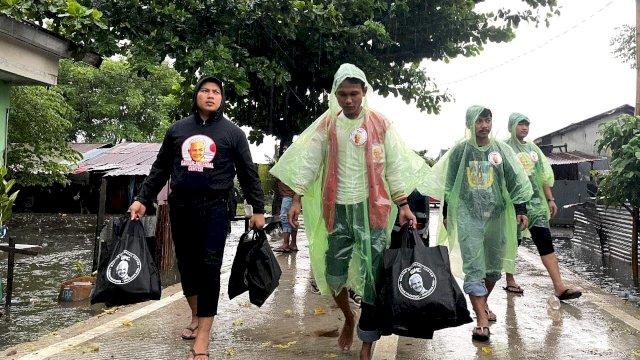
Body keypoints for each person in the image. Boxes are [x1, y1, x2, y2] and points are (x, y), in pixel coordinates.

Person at [270, 64, 428, 360]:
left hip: (374, 212)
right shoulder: (328, 124)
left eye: (354, 93)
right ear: (335, 94)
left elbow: (393, 167)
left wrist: (403, 204)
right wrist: (297, 198)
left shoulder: (380, 124)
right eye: (342, 94)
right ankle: (348, 316)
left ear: (364, 92)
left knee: (372, 276)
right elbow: (309, 162)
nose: (348, 100)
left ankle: (367, 341)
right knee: (332, 275)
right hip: (338, 210)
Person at [128, 76, 265, 360]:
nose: (211, 95)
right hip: (181, 208)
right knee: (187, 266)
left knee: (209, 267)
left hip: (216, 209)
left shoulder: (233, 133)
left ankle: (203, 336)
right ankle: (195, 314)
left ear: (222, 99)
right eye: (205, 90)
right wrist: (143, 199)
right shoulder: (178, 130)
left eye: (216, 92)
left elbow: (248, 172)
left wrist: (258, 209)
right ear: (196, 95)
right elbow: (161, 167)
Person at [422, 105, 532, 342]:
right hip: (468, 215)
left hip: (497, 215)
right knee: (474, 267)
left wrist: (521, 209)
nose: (484, 126)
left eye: (487, 120)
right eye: (479, 121)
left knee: (493, 269)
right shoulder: (460, 152)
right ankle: (481, 320)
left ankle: (482, 304)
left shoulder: (501, 150)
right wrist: (448, 212)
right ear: (470, 124)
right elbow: (450, 184)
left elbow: (515, 181)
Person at [503, 113, 582, 299]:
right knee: (514, 242)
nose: (524, 127)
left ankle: (559, 286)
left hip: (536, 203)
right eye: (520, 124)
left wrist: (550, 199)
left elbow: (542, 175)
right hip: (513, 204)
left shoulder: (533, 149)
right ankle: (510, 279)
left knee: (545, 240)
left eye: (527, 124)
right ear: (511, 126)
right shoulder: (504, 148)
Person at [273, 179, 298, 253]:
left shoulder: (285, 170)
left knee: (285, 219)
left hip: (288, 196)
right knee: (293, 220)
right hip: (293, 196)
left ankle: (285, 244)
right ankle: (293, 244)